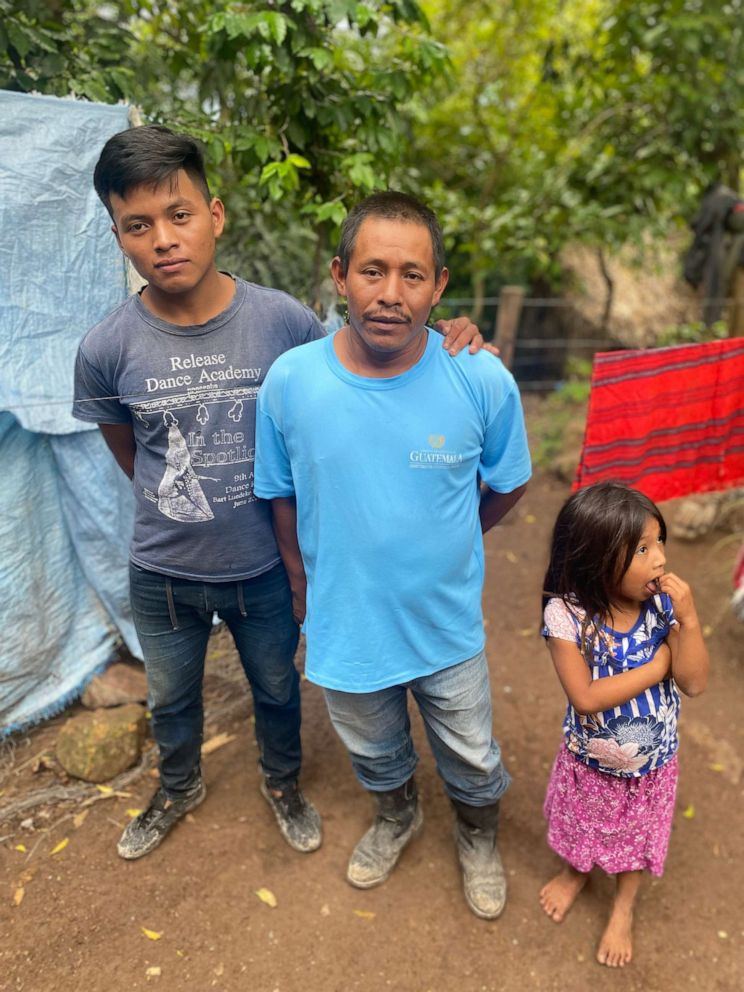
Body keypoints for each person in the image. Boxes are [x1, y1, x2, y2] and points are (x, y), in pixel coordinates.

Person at [71, 126, 488, 862]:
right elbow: (131, 456)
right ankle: (177, 785)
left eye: (180, 214)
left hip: (265, 562)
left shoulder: (283, 323)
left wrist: (456, 331)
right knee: (171, 697)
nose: (164, 239)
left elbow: (369, 351)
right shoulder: (106, 349)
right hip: (164, 570)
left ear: (216, 215)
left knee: (276, 687)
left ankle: (283, 782)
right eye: (138, 226)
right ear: (118, 235)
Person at [254, 191, 532, 919]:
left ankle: (477, 835)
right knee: (374, 749)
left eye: (413, 275)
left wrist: (455, 538)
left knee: (473, 754)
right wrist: (299, 585)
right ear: (339, 275)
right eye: (372, 271)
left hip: (445, 628)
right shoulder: (290, 382)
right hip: (345, 625)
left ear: (439, 288)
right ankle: (397, 814)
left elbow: (510, 481)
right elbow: (280, 494)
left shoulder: (480, 379)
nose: (390, 293)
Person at [538, 481, 709, 967]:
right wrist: (657, 668)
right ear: (594, 558)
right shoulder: (567, 616)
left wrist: (690, 624)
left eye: (660, 543)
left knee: (635, 843)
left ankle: (623, 905)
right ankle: (577, 872)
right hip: (588, 762)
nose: (659, 559)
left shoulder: (662, 608)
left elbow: (694, 683)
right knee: (581, 827)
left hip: (651, 768)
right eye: (641, 548)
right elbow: (586, 697)